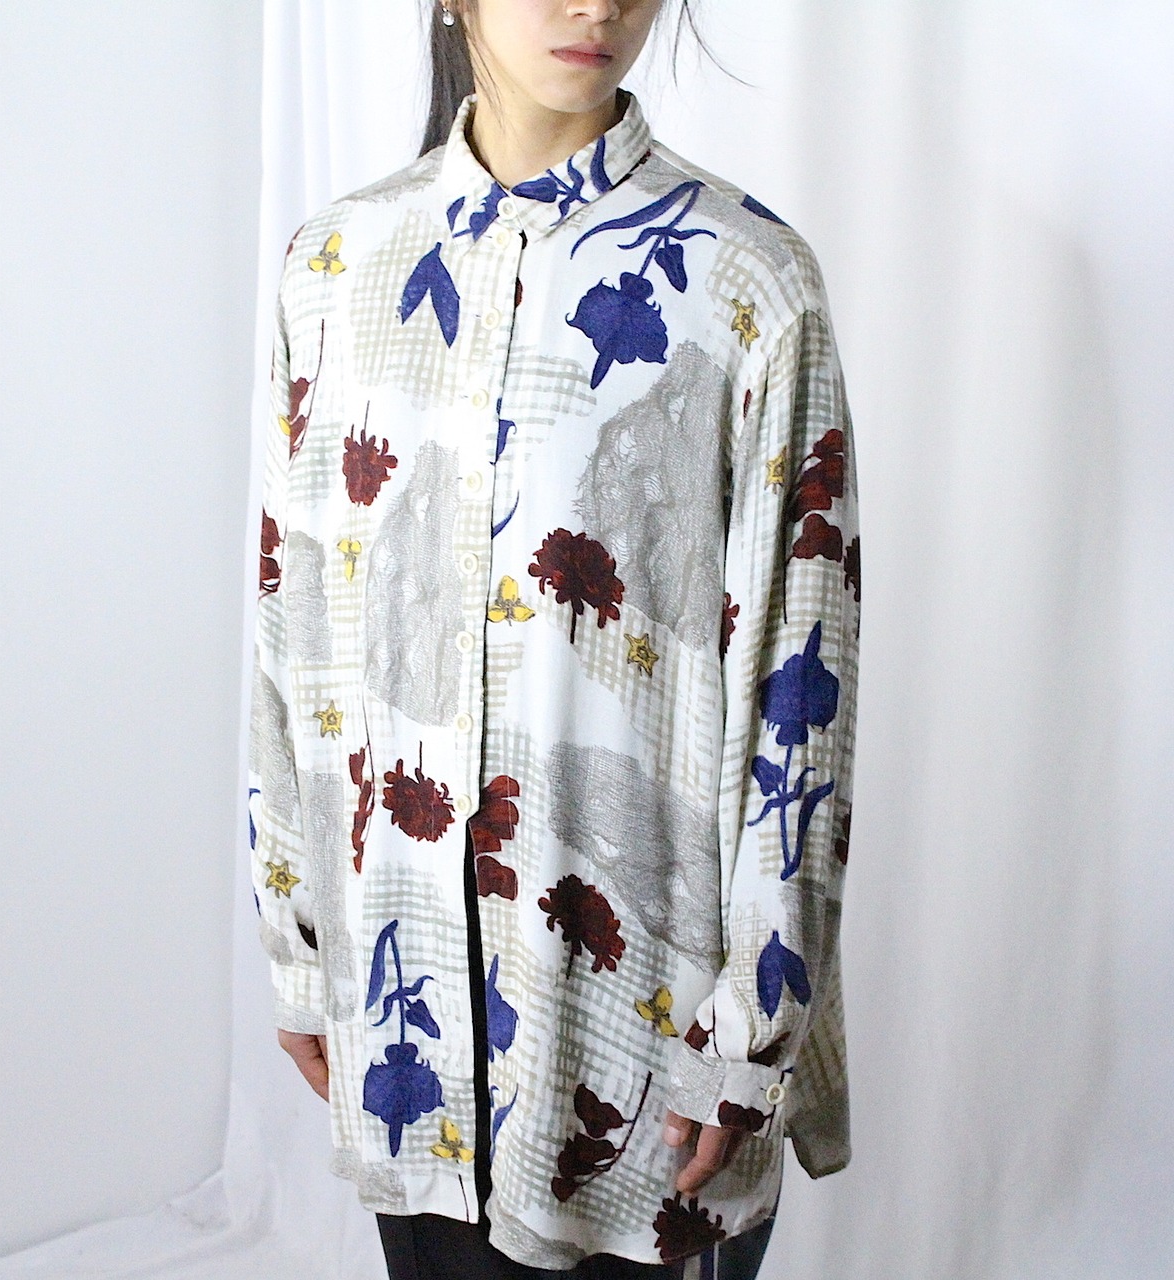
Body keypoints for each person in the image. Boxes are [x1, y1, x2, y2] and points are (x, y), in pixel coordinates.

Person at [249, 1, 861, 1276]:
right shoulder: (336, 267)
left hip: (648, 1047)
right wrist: (300, 940)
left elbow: (798, 684)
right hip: (410, 1016)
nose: (600, 6)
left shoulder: (746, 283)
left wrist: (750, 1032)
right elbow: (292, 623)